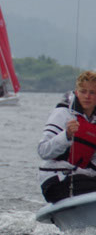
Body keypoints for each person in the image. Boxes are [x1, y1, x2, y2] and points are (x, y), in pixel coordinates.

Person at [37, 70, 96, 204]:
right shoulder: (62, 114)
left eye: (92, 92)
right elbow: (43, 151)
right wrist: (66, 135)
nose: (87, 96)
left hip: (83, 178)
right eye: (83, 91)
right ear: (76, 92)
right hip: (56, 180)